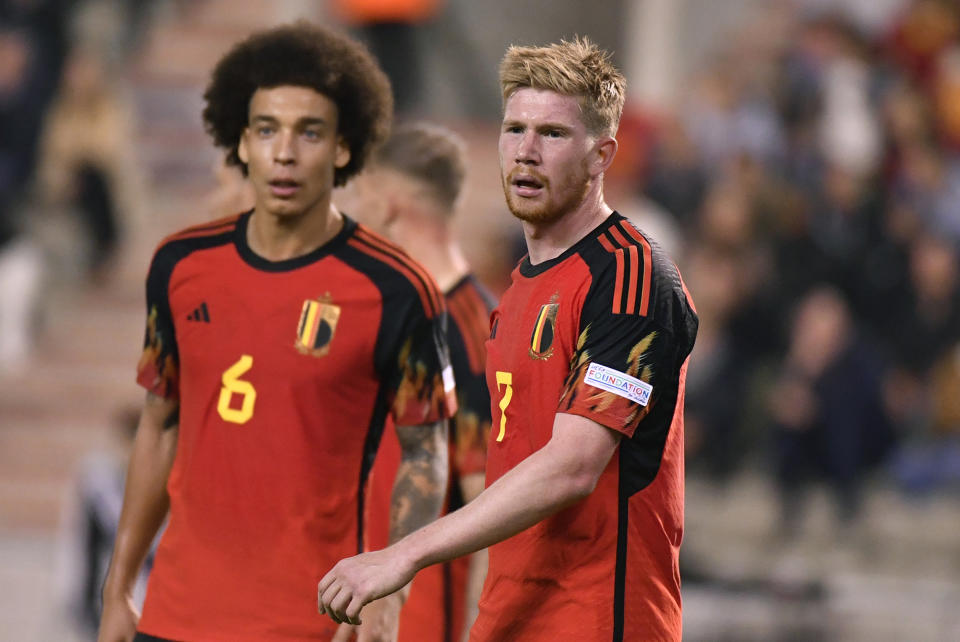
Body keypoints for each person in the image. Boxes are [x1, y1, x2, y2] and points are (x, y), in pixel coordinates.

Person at [318, 37, 699, 642]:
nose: (525, 152)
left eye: (552, 134)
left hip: (597, 618)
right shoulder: (517, 287)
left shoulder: (631, 277)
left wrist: (402, 554)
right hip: (509, 617)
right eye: (514, 128)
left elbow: (573, 466)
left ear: (601, 155)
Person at [98, 23, 456, 642]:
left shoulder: (397, 290)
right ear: (242, 141)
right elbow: (159, 425)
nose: (284, 152)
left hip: (310, 622)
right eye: (266, 130)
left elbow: (426, 451)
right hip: (174, 616)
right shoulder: (180, 266)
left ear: (344, 147)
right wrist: (118, 588)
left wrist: (388, 592)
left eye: (308, 132)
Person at [354, 123, 495, 642]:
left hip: (424, 625)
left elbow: (491, 517)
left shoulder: (470, 331)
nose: (357, 215)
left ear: (390, 203)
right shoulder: (399, 314)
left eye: (363, 195)